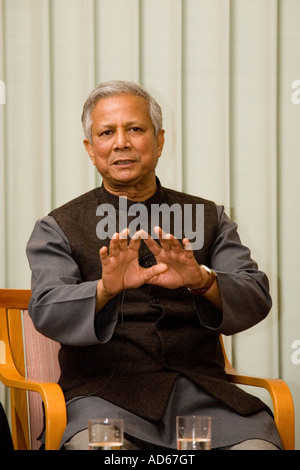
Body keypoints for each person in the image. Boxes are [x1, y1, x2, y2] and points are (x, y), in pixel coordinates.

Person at [26, 80, 282, 450]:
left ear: (159, 141)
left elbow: (255, 295)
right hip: (104, 400)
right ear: (90, 149)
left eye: (135, 129)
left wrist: (202, 280)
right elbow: (47, 310)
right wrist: (105, 289)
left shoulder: (208, 217)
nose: (121, 143)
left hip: (204, 398)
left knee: (257, 448)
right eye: (106, 132)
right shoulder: (58, 227)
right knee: (102, 450)